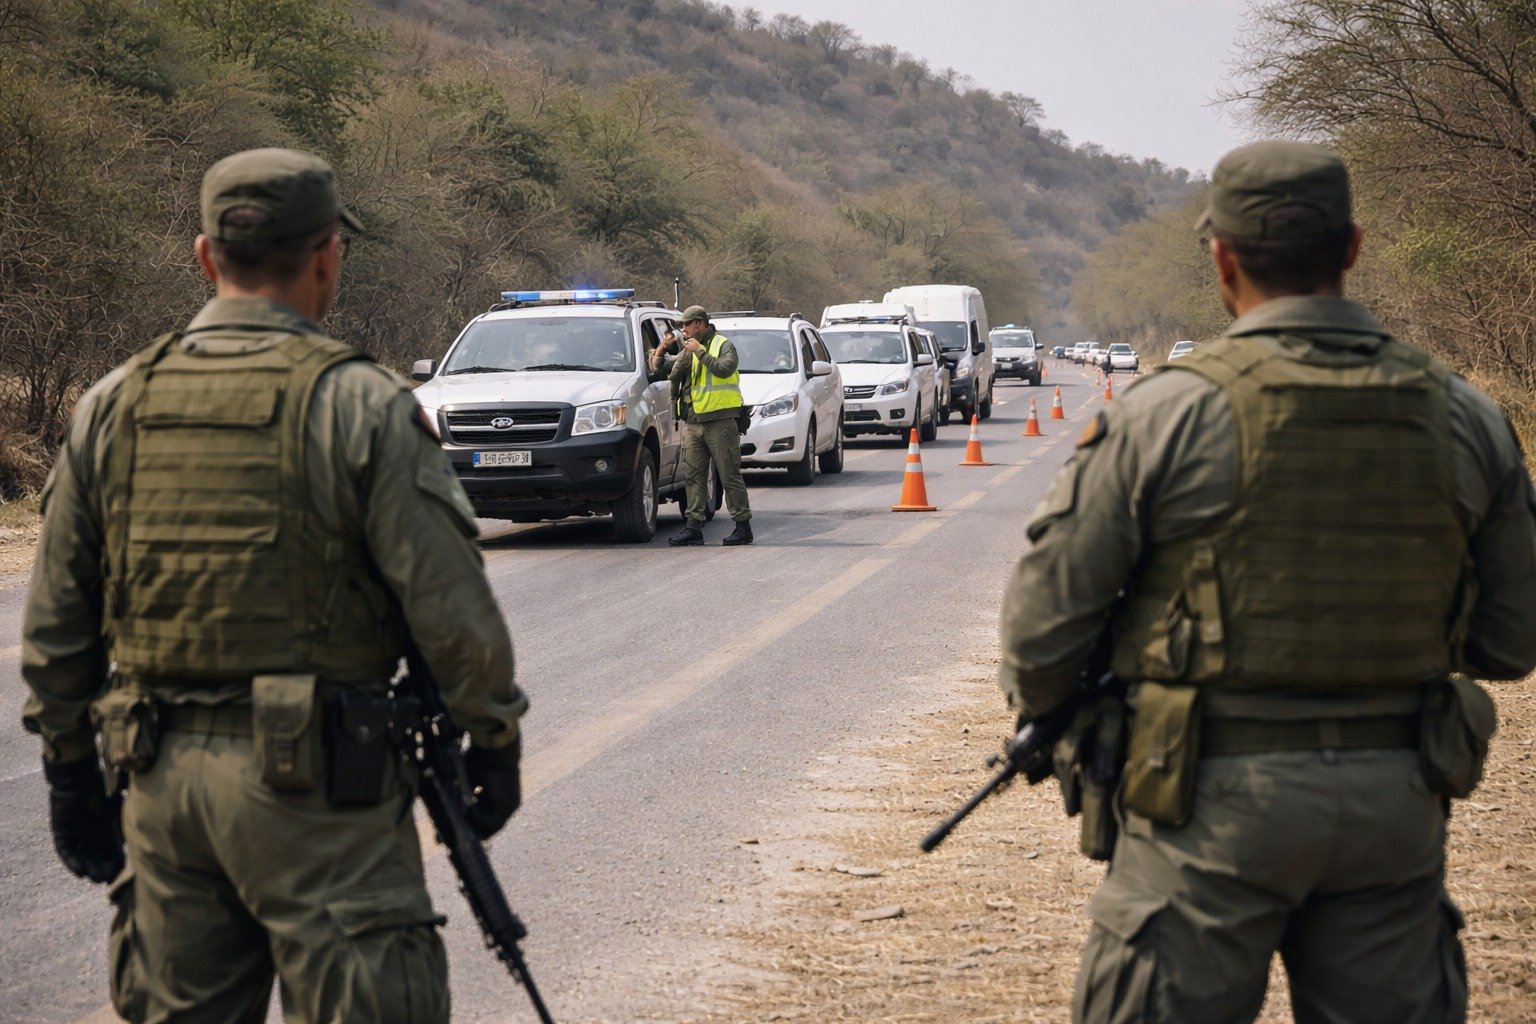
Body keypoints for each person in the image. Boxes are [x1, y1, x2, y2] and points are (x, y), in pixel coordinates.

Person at [997, 140, 1536, 1024]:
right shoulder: (1465, 414)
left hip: (1200, 803)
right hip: (1394, 802)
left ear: (1222, 259)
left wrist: (1067, 705)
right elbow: (1511, 643)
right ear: (1351, 248)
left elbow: (1042, 634)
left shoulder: (1164, 414)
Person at [21, 148, 528, 1023]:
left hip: (162, 786)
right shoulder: (363, 407)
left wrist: (70, 772)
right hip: (322, 792)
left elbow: (58, 620)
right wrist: (493, 739)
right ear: (328, 256)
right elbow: (452, 611)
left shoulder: (111, 403)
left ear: (204, 256)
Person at [655, 305, 753, 546]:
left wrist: (700, 352)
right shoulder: (689, 348)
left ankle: (743, 527)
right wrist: (662, 348)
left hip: (720, 421)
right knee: (694, 476)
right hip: (695, 422)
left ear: (699, 323)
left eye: (686, 324)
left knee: (729, 474)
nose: (683, 329)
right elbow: (668, 368)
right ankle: (693, 528)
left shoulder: (723, 345)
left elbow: (725, 369)